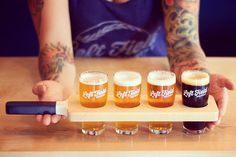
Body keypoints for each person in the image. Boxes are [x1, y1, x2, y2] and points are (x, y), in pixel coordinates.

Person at [28, 0, 235, 128]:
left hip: (152, 79)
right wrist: (58, 87)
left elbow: (184, 43)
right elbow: (56, 51)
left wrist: (199, 80)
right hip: (83, 81)